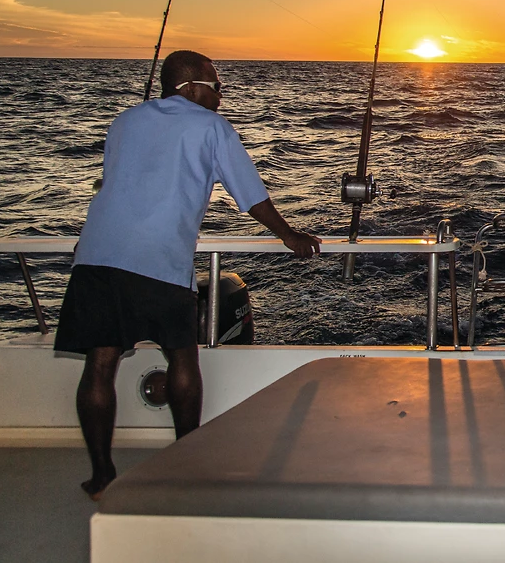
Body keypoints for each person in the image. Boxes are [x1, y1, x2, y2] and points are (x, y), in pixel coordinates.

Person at [54, 50, 321, 499]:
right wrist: (289, 235)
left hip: (97, 256)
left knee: (100, 364)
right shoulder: (211, 126)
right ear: (191, 86)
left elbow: (114, 184)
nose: (221, 96)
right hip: (158, 260)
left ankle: (102, 477)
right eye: (217, 86)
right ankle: (186, 465)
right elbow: (250, 194)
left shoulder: (124, 122)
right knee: (182, 357)